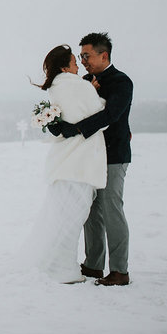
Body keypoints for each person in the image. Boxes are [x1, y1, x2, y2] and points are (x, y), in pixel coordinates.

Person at [48, 32, 133, 287]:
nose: (83, 61)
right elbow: (72, 110)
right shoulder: (84, 81)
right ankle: (94, 265)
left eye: (87, 55)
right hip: (88, 157)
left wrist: (76, 129)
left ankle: (119, 270)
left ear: (103, 55)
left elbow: (110, 115)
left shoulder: (121, 82)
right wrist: (55, 123)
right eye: (80, 56)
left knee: (111, 210)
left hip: (113, 155)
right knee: (90, 211)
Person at [23, 44, 107, 284]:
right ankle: (62, 270)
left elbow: (65, 122)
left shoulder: (55, 90)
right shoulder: (80, 85)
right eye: (73, 60)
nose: (78, 64)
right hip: (80, 163)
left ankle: (55, 264)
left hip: (61, 162)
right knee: (73, 219)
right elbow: (101, 117)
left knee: (61, 218)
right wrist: (95, 93)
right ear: (64, 66)